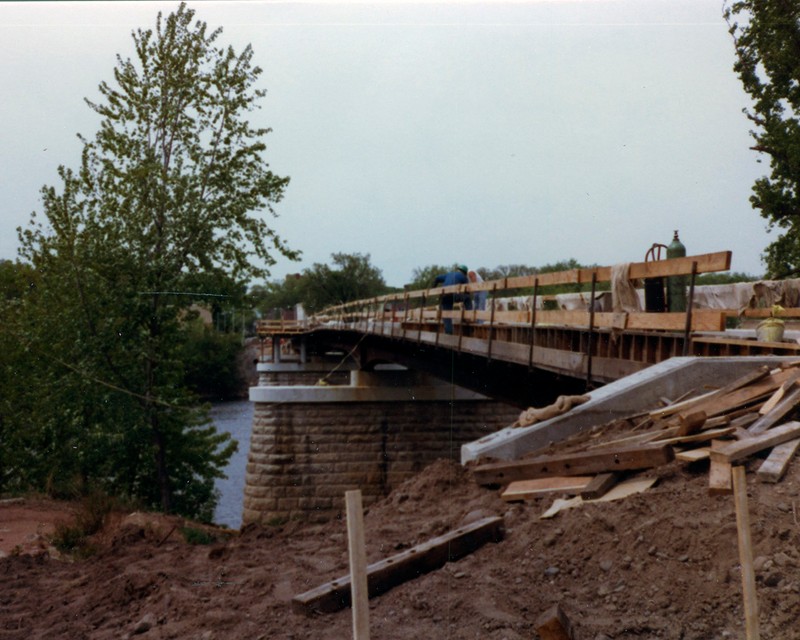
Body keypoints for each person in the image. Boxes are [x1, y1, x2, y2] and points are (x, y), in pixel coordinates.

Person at [433, 265, 471, 334]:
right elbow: (467, 290)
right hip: (454, 295)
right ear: (465, 272)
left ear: (458, 270)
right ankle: (469, 316)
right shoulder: (464, 277)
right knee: (467, 298)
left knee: (447, 315)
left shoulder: (449, 274)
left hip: (444, 296)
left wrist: (433, 288)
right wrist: (465, 295)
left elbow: (437, 278)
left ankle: (449, 333)